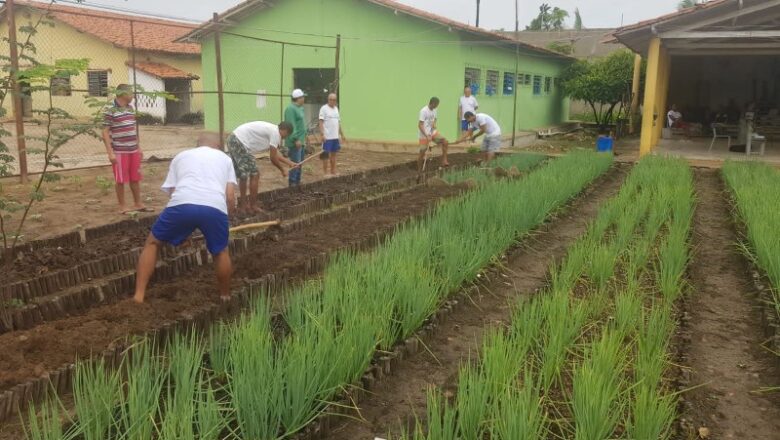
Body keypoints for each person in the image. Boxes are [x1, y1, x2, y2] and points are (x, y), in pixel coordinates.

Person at [133, 133, 237, 304]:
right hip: (214, 207)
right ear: (218, 146)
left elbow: (173, 192)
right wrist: (226, 218)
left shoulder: (181, 156)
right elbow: (230, 196)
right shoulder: (225, 159)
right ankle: (225, 295)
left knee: (153, 243)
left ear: (197, 144)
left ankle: (138, 296)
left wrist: (183, 230)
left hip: (182, 204)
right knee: (221, 251)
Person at [227, 121, 299, 214]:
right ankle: (252, 206)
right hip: (240, 141)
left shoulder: (273, 130)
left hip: (233, 139)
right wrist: (282, 170)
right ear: (285, 130)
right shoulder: (276, 133)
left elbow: (276, 152)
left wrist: (289, 163)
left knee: (243, 175)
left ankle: (243, 206)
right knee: (255, 174)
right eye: (287, 134)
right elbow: (273, 158)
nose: (286, 137)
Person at [102, 84, 148, 214]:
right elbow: (105, 132)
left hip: (133, 149)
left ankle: (137, 203)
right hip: (119, 151)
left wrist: (138, 147)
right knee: (120, 179)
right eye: (131, 93)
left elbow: (133, 129)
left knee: (135, 177)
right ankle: (122, 206)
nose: (133, 95)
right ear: (123, 94)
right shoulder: (110, 109)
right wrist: (110, 153)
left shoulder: (130, 108)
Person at [418, 97, 450, 172]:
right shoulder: (423, 111)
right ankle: (419, 169)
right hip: (424, 134)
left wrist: (434, 123)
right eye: (436, 105)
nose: (436, 107)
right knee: (422, 151)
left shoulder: (435, 110)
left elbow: (435, 118)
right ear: (432, 103)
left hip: (433, 132)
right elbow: (420, 125)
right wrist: (426, 135)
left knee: (445, 142)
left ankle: (444, 161)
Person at [318, 93, 347, 177]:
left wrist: (342, 134)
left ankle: (333, 171)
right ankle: (325, 173)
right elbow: (320, 122)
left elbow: (338, 123)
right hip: (327, 137)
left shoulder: (336, 109)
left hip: (335, 137)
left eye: (334, 100)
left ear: (336, 101)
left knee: (334, 155)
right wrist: (322, 134)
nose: (332, 101)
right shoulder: (324, 108)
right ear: (328, 100)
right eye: (330, 99)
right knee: (325, 155)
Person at [285, 89, 307, 186]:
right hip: (295, 143)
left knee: (300, 164)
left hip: (301, 142)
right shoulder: (290, 109)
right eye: (303, 97)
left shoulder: (300, 108)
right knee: (295, 163)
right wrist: (296, 139)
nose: (304, 99)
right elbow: (291, 125)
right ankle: (292, 184)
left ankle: (297, 183)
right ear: (298, 98)